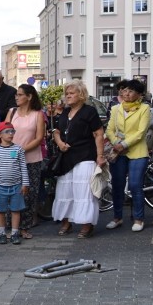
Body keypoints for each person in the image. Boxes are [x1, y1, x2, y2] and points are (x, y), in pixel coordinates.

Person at [51, 80, 105, 239]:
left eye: (71, 93)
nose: (68, 96)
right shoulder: (65, 112)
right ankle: (66, 223)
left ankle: (87, 225)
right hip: (66, 157)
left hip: (85, 155)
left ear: (80, 95)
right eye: (67, 93)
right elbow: (56, 131)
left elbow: (99, 134)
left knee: (84, 192)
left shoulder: (89, 111)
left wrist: (100, 156)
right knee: (65, 191)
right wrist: (60, 143)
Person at [105, 79, 151, 232]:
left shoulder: (144, 108)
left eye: (131, 91)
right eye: (125, 90)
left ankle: (139, 218)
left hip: (137, 151)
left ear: (139, 95)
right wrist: (116, 143)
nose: (126, 93)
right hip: (118, 152)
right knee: (117, 185)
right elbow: (109, 130)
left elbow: (141, 132)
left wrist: (124, 144)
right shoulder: (116, 108)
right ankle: (117, 218)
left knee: (135, 185)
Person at [5, 84, 46, 239]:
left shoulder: (38, 114)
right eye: (16, 94)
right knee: (11, 192)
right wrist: (10, 150)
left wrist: (22, 149)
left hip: (31, 159)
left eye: (20, 94)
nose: (16, 97)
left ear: (29, 97)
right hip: (11, 159)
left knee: (29, 194)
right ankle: (11, 227)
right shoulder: (11, 112)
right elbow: (3, 132)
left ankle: (25, 227)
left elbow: (39, 137)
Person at [0, 122, 30, 245]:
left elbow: (23, 168)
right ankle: (2, 233)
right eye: (7, 131)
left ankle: (15, 233)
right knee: (0, 210)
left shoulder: (18, 149)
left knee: (16, 210)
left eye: (12, 131)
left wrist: (25, 184)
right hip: (0, 187)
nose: (11, 134)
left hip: (16, 186)